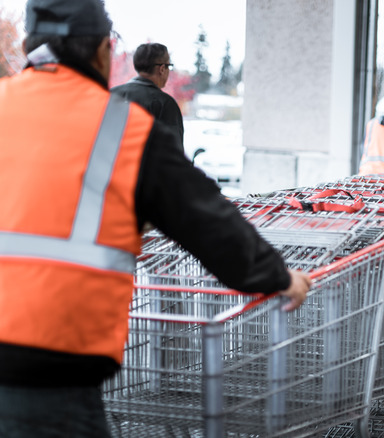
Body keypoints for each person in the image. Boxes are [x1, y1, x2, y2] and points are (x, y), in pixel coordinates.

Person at [0, 1, 311, 436]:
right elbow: (205, 217)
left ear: (31, 44)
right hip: (52, 369)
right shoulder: (121, 128)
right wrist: (276, 275)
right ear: (103, 51)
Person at [111, 42, 184, 148]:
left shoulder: (110, 95)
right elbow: (173, 152)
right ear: (162, 69)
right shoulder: (165, 104)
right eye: (169, 66)